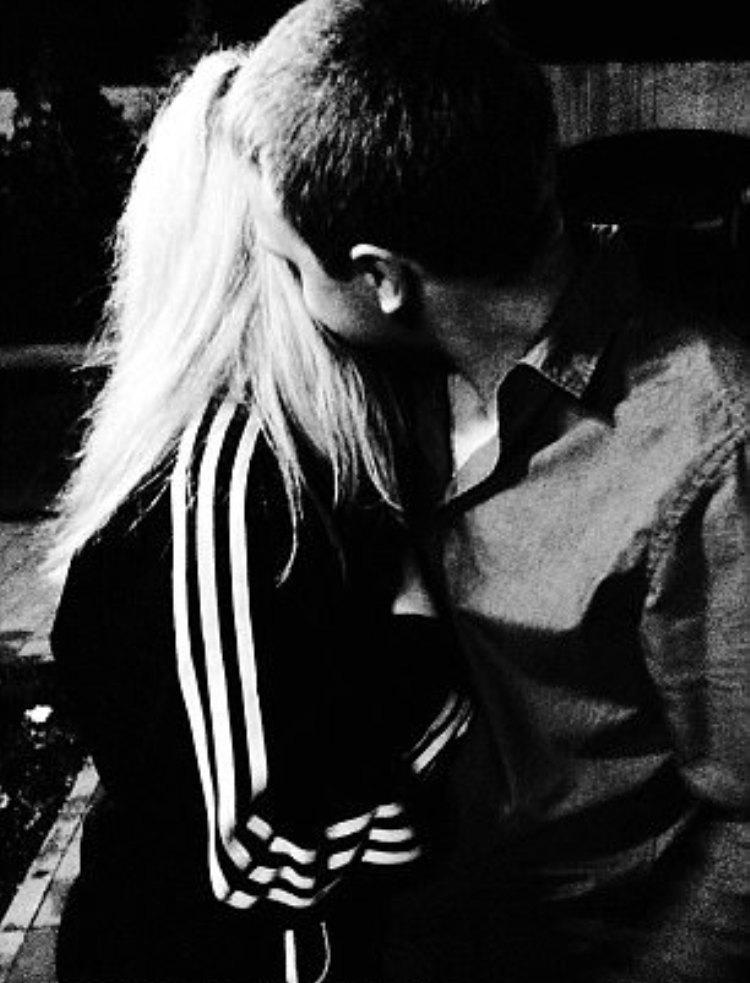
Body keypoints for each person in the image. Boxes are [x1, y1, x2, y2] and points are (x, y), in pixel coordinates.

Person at [218, 1, 747, 981]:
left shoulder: (708, 445)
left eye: (287, 266)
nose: (279, 294)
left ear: (381, 278)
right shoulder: (384, 386)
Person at [49, 48, 473, 983]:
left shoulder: (319, 433)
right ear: (261, 240)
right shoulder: (229, 467)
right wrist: (443, 685)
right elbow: (254, 854)